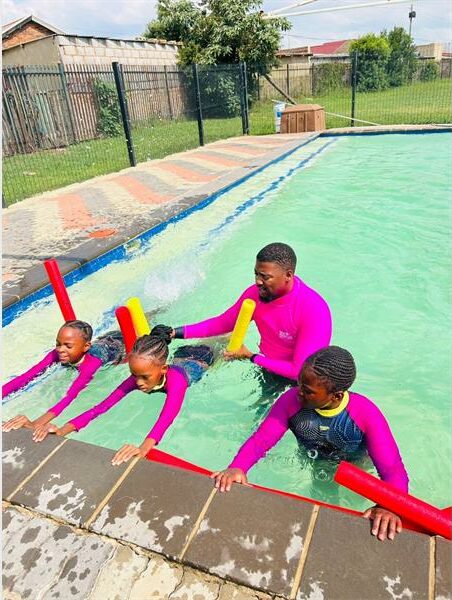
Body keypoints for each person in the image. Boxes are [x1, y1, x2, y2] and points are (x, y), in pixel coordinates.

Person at [211, 346, 408, 542]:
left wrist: (388, 506)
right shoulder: (290, 401)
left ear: (336, 396)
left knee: (356, 504)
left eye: (308, 391)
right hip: (318, 463)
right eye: (299, 384)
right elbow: (261, 440)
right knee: (325, 502)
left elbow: (392, 468)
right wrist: (237, 467)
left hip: (355, 465)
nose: (299, 393)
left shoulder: (365, 414)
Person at [37, 326, 214, 465]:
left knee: (218, 342)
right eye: (134, 375)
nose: (138, 382)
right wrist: (62, 430)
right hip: (180, 355)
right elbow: (100, 408)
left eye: (144, 377)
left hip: (203, 358)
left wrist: (143, 449)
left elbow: (167, 417)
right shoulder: (139, 376)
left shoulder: (177, 382)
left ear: (163, 369)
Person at [168, 242, 332, 383]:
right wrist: (175, 332)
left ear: (288, 275)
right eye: (256, 274)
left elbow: (301, 371)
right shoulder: (255, 294)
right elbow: (223, 323)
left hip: (303, 385)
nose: (258, 281)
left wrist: (251, 357)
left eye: (265, 277)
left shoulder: (314, 310)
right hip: (267, 365)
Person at [2, 320, 125, 436]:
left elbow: (70, 396)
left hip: (119, 347)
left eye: (68, 346)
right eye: (58, 344)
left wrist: (36, 424)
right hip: (103, 340)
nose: (61, 349)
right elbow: (27, 376)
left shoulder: (92, 363)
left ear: (86, 347)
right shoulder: (58, 353)